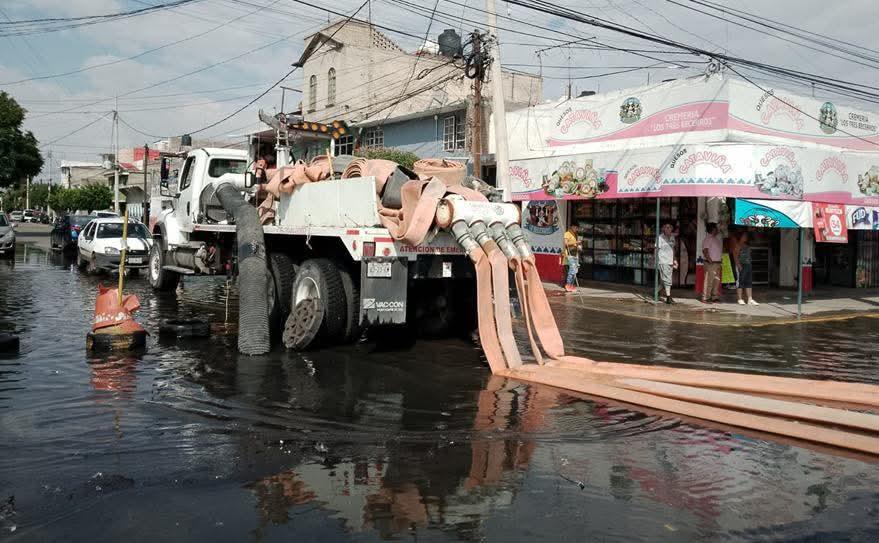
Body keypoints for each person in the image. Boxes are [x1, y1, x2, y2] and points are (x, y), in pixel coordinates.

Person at [734, 231, 759, 305]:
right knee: (740, 282)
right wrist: (738, 265)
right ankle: (740, 298)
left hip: (748, 264)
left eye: (746, 236)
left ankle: (750, 298)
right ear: (740, 237)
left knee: (748, 282)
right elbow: (735, 255)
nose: (745, 237)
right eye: (744, 235)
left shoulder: (747, 245)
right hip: (741, 265)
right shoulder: (738, 245)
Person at [657, 222, 678, 304]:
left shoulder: (672, 237)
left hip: (670, 261)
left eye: (670, 227)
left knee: (663, 281)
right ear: (663, 229)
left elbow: (673, 249)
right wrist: (655, 260)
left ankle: (656, 293)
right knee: (667, 280)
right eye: (666, 227)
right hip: (663, 261)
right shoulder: (660, 238)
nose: (668, 229)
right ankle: (668, 297)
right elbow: (657, 249)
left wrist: (674, 259)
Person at [701, 222, 722, 304]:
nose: (718, 230)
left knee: (716, 281)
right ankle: (705, 297)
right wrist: (709, 260)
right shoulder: (708, 238)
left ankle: (714, 296)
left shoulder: (715, 239)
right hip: (711, 263)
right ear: (713, 229)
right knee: (709, 281)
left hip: (716, 263)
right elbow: (705, 250)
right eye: (716, 228)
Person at [562, 224, 581, 293]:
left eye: (577, 228)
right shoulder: (567, 234)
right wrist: (576, 242)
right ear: (572, 227)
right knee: (572, 270)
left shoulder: (576, 234)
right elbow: (566, 243)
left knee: (575, 271)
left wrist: (578, 246)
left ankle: (571, 285)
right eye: (576, 227)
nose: (577, 229)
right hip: (569, 254)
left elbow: (575, 244)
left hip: (575, 254)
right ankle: (568, 285)